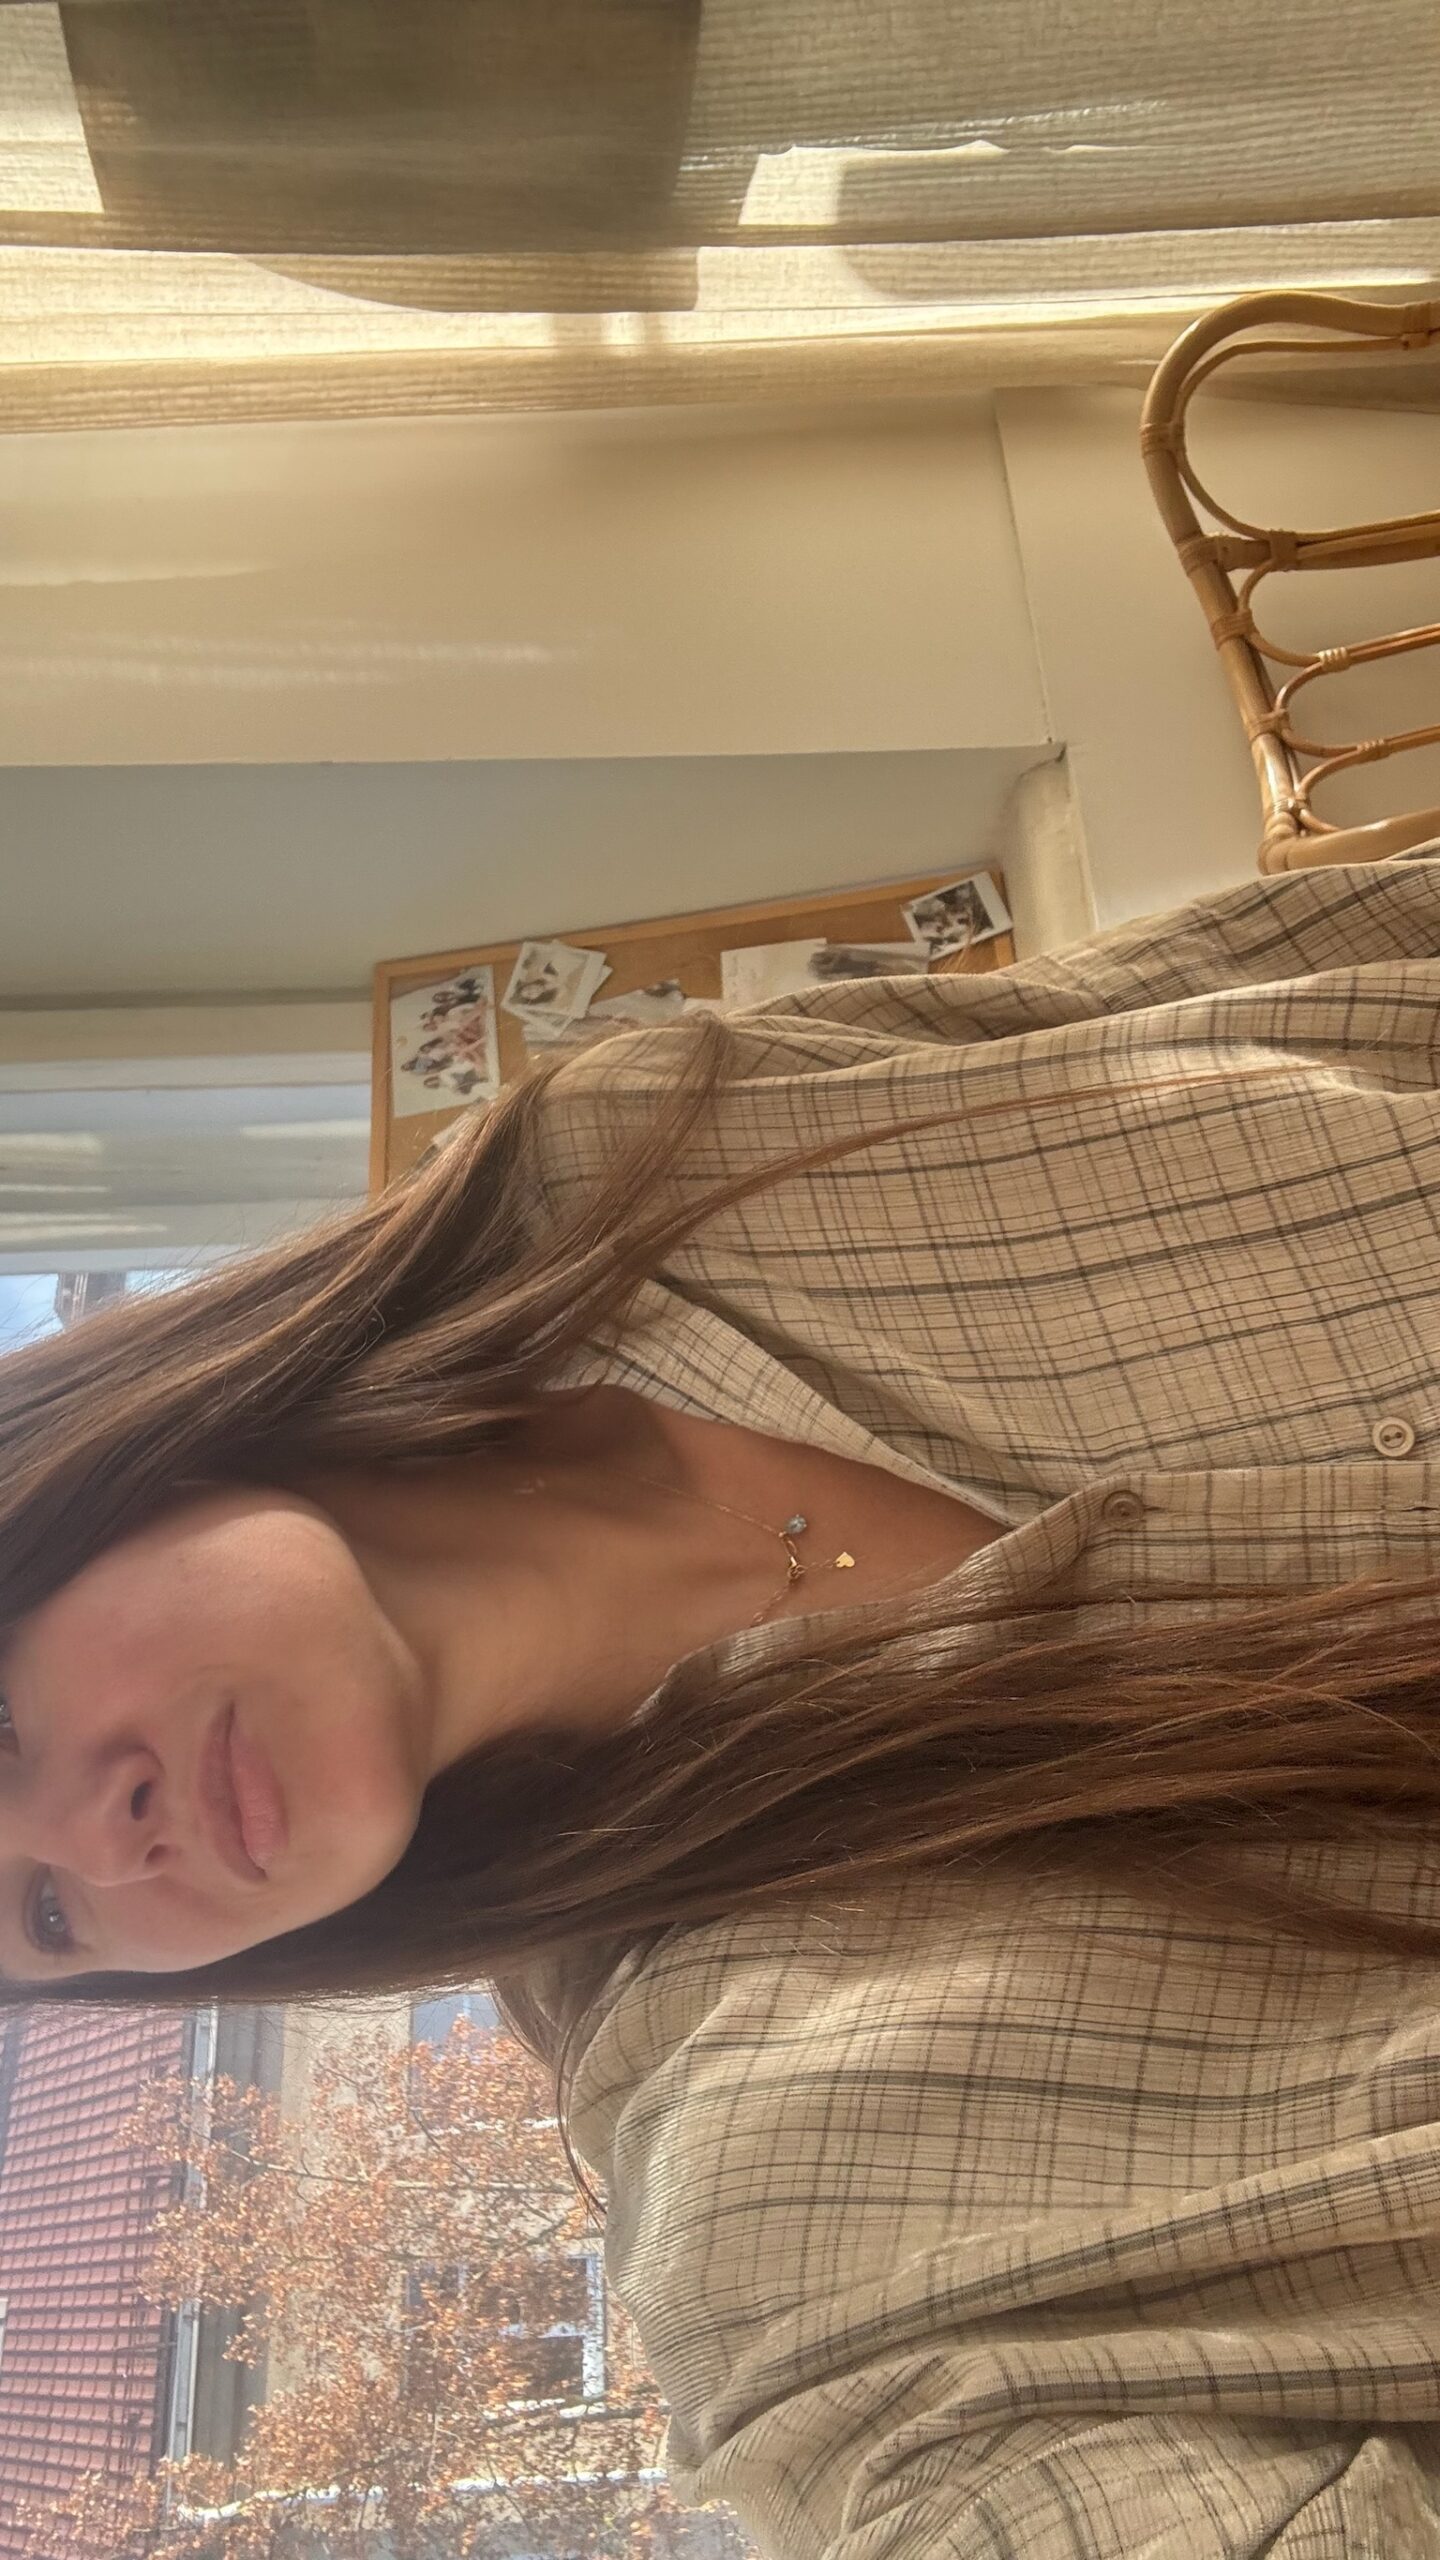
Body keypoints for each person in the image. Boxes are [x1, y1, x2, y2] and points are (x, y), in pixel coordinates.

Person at [4, 852, 1440, 2556]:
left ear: (63, 1484)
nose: (103, 1843)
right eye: (43, 1916)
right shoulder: (779, 2169)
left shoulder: (642, 1151)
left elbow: (1354, 964)